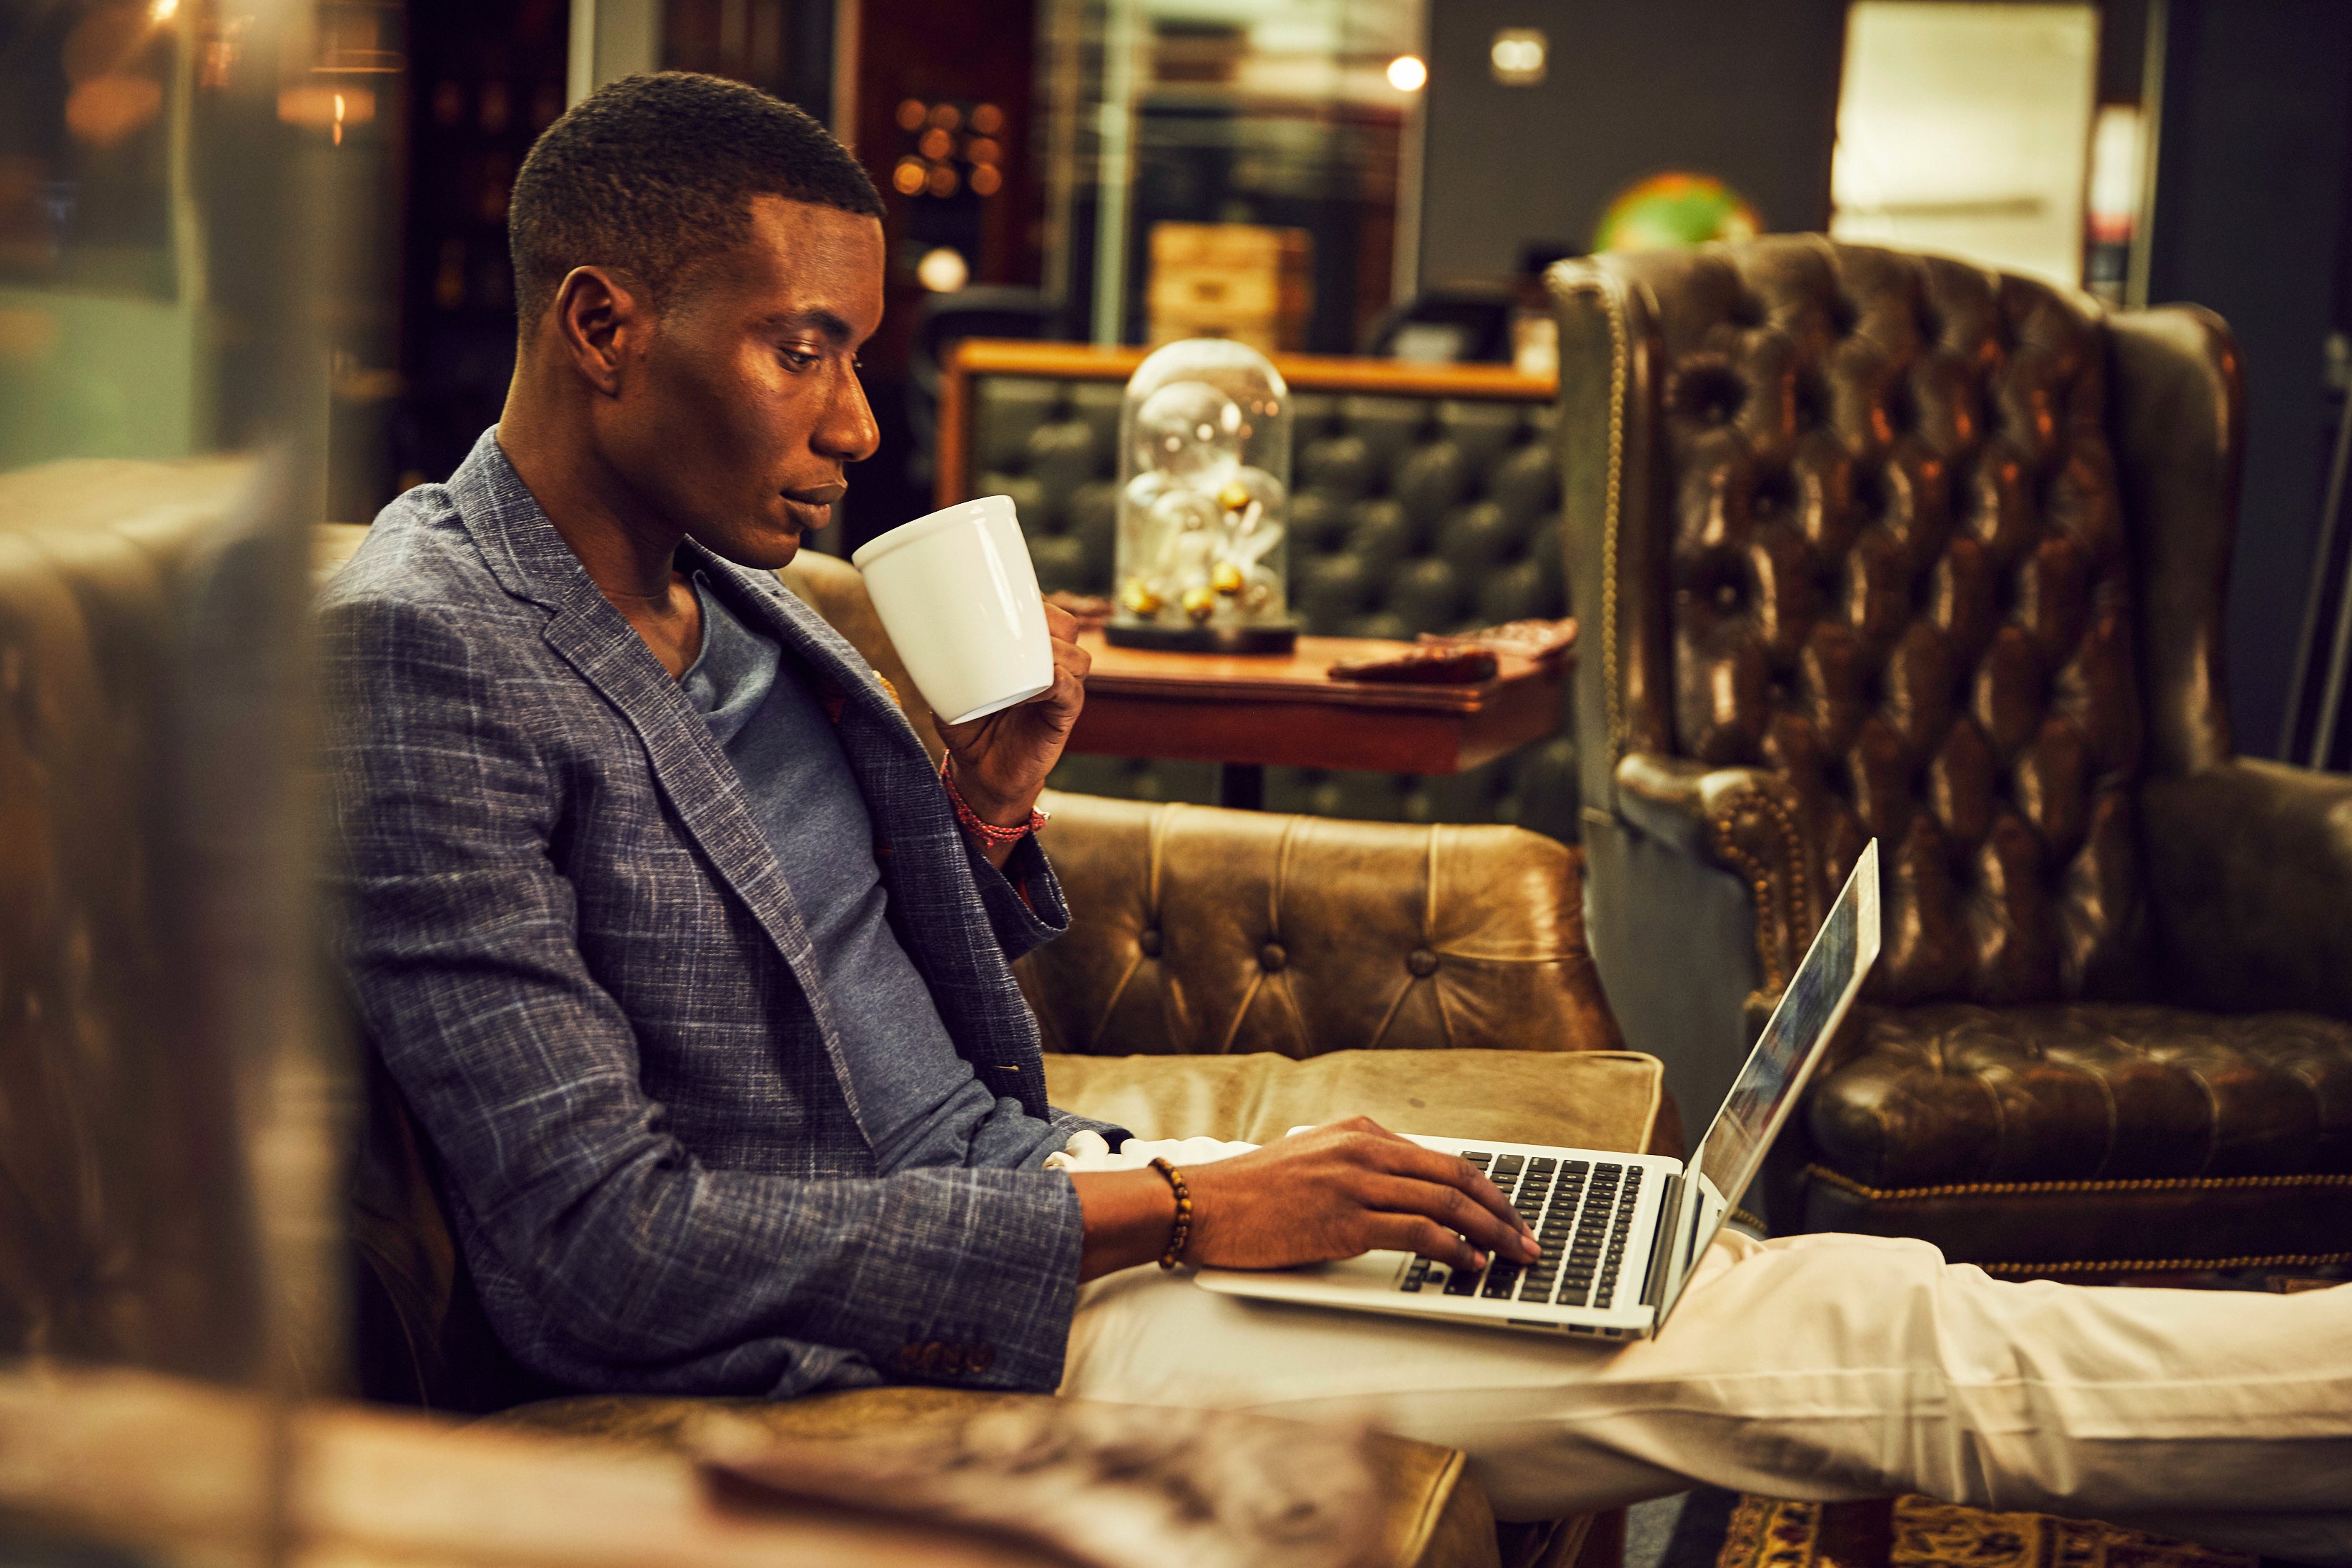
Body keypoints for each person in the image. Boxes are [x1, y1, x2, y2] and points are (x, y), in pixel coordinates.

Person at [322, 72, 2352, 1564]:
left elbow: (808, 943)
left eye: (857, 353)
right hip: (940, 1326)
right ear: (603, 327)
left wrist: (987, 814)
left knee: (1740, 1274)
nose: (858, 423)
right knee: (1884, 1341)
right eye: (808, 350)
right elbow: (604, 1253)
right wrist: (1189, 1206)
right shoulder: (430, 645)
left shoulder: (717, 577)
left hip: (1069, 1188)